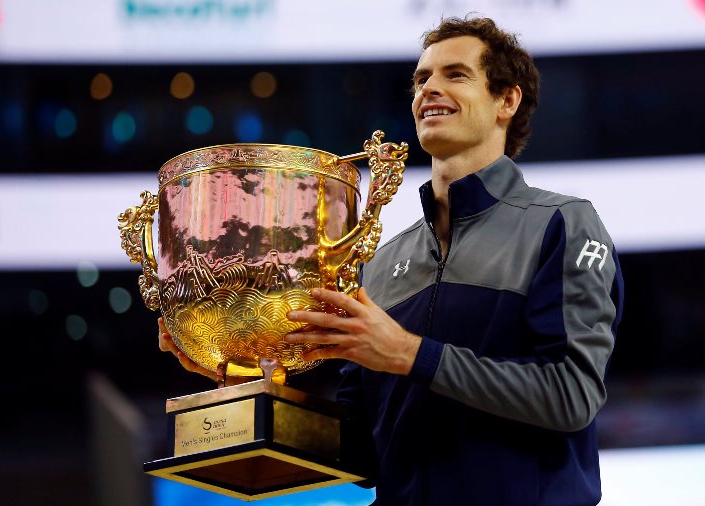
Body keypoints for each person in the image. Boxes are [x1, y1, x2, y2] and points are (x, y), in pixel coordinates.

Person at [160, 16, 624, 505]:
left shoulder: (561, 224)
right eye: (421, 79)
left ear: (507, 101)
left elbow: (571, 396)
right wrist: (241, 378)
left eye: (455, 74)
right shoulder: (381, 264)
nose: (429, 89)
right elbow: (362, 451)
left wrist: (409, 354)